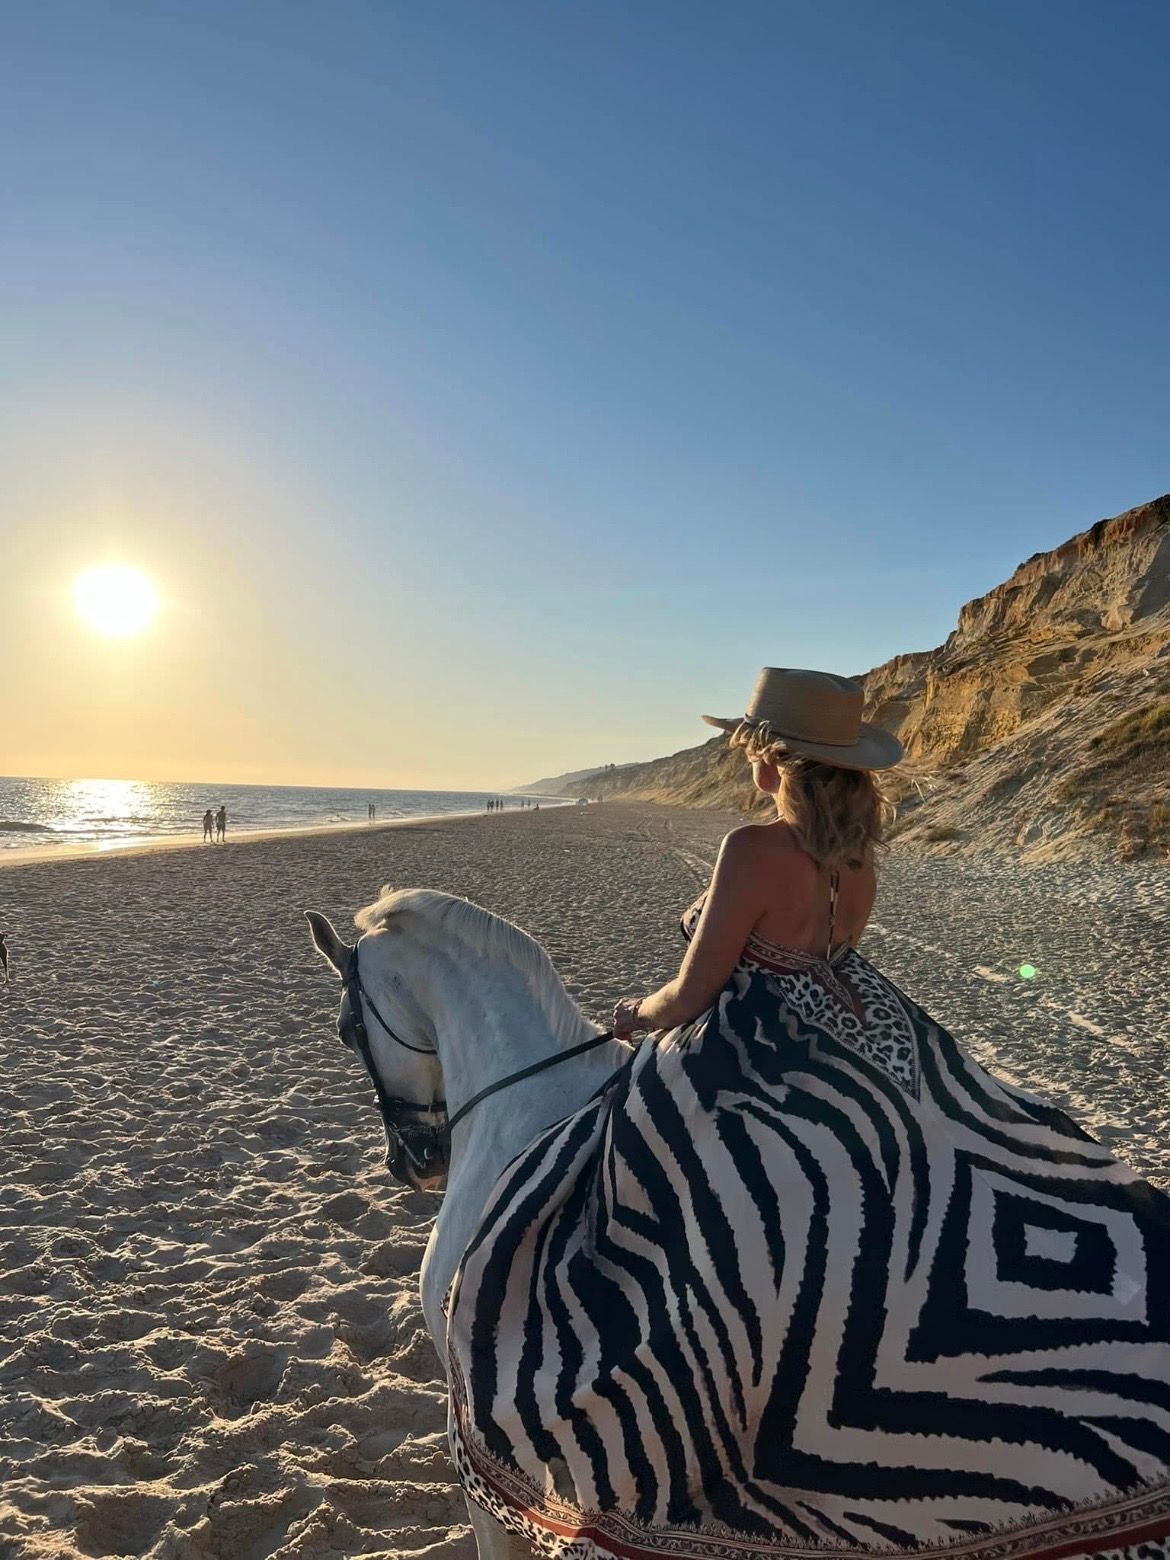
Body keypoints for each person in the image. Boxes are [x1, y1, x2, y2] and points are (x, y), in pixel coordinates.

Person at [447, 667, 1170, 1557]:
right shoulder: (858, 858)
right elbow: (833, 952)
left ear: (770, 760)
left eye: (751, 748)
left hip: (757, 1044)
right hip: (864, 1027)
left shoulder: (752, 848)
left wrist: (636, 1012)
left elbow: (693, 993)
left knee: (622, 1158)